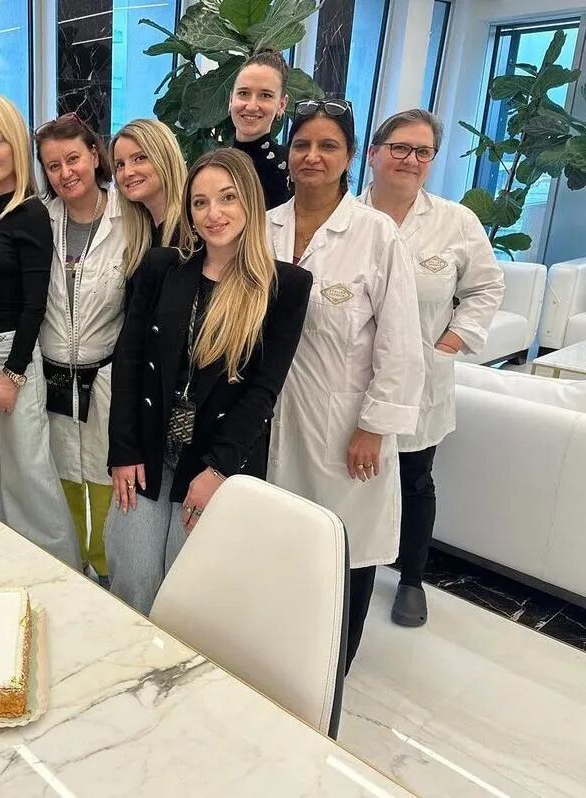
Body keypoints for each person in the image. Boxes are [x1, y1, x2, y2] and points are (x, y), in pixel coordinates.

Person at [105, 148, 311, 614]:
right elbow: (129, 362)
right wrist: (123, 450)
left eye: (227, 198)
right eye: (200, 202)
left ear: (250, 202)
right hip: (148, 450)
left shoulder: (285, 288)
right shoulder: (162, 268)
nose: (213, 213)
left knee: (188, 593)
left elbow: (262, 392)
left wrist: (218, 471)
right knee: (133, 580)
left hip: (214, 459)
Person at [266, 99, 425, 672]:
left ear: (351, 156)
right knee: (284, 550)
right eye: (302, 144)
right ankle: (282, 663)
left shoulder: (375, 234)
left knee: (346, 554)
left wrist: (373, 428)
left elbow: (401, 343)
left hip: (344, 430)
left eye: (328, 145)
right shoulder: (265, 225)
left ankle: (331, 675)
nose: (312, 156)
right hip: (272, 420)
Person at [361, 109, 504, 627]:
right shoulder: (348, 218)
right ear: (373, 154)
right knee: (352, 477)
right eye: (400, 148)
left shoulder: (455, 222)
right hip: (354, 379)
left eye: (423, 152)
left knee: (415, 479)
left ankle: (411, 578)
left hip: (424, 380)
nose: (410, 160)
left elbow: (486, 287)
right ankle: (348, 565)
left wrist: (452, 340)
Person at [0, 95, 80, 568]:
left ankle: (58, 574)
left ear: (17, 147)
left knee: (29, 475)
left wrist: (12, 374)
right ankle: (0, 568)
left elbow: (34, 304)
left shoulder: (28, 212)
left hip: (9, 355)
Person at [34, 113, 124, 583]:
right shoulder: (39, 220)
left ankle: (108, 575)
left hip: (105, 376)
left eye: (73, 159)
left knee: (106, 482)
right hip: (51, 377)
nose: (65, 173)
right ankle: (70, 573)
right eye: (53, 166)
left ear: (94, 155)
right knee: (62, 478)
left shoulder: (128, 218)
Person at [109, 119, 187, 279]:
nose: (127, 172)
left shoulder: (192, 233)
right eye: (120, 165)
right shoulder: (140, 237)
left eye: (140, 158)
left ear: (166, 158)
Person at [229, 49, 292, 209]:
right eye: (243, 93)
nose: (251, 106)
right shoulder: (212, 165)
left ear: (282, 105)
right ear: (230, 99)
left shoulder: (293, 170)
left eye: (265, 95)